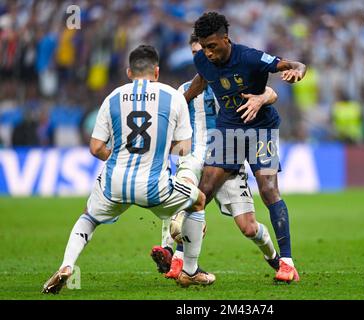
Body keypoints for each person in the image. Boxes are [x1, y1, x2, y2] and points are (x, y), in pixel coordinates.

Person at [42, 45, 214, 293]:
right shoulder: (173, 96)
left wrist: (120, 156)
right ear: (156, 71)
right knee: (198, 200)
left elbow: (95, 147)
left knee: (88, 217)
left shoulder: (112, 97)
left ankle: (67, 265)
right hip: (154, 185)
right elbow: (184, 149)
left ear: (128, 72)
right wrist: (159, 148)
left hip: (115, 182)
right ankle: (190, 271)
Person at [183, 12, 307, 282]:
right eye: (203, 47)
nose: (208, 52)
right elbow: (202, 79)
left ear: (225, 39)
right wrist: (181, 101)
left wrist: (297, 70)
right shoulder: (203, 60)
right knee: (202, 192)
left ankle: (286, 263)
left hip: (261, 129)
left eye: (212, 46)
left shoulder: (250, 57)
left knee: (268, 189)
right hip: (227, 132)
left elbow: (293, 63)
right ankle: (182, 262)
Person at [151, 34, 281, 280]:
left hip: (226, 156)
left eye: (205, 50)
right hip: (195, 154)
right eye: (195, 53)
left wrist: (262, 97)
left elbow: (270, 93)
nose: (202, 56)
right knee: (185, 194)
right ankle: (172, 256)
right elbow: (172, 124)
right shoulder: (184, 90)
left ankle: (274, 257)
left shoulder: (234, 80)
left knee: (249, 227)